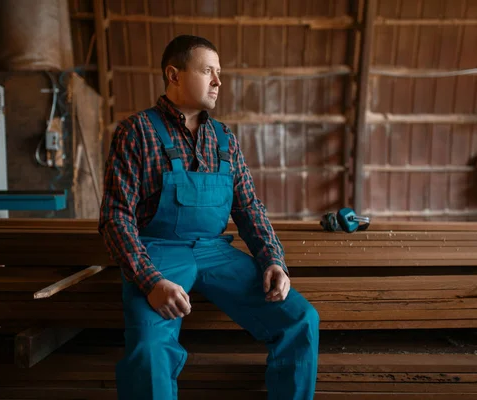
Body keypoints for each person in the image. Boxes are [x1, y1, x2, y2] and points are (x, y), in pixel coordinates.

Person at [99, 35, 319, 400]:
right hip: (158, 253)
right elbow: (115, 219)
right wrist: (150, 281)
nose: (218, 82)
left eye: (219, 73)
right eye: (207, 71)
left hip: (215, 252)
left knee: (301, 319)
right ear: (174, 74)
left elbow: (249, 208)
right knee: (151, 350)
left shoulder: (224, 140)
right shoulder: (135, 132)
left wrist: (273, 260)